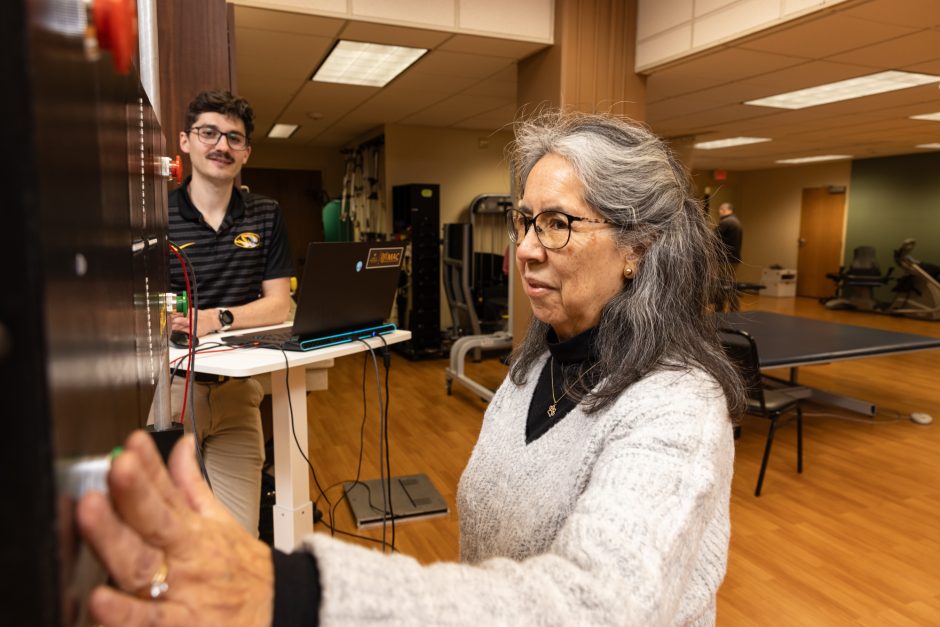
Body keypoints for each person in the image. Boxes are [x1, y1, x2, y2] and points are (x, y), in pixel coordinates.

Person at [78, 110, 744, 626]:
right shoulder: (534, 363)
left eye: (557, 224)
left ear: (638, 247)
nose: (525, 249)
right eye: (524, 222)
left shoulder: (677, 406)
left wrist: (296, 594)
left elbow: (599, 608)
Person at [167, 89, 293, 535]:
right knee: (178, 534)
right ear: (185, 141)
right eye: (209, 133)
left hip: (239, 392)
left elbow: (279, 303)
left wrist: (216, 317)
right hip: (174, 391)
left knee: (241, 536)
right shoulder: (156, 215)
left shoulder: (266, 214)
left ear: (246, 152)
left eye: (234, 138)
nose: (221, 145)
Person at [715, 202, 743, 268]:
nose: (719, 212)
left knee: (721, 275)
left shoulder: (726, 222)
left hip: (725, 260)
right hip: (734, 259)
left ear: (725, 210)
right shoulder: (736, 221)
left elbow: (714, 238)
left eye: (721, 209)